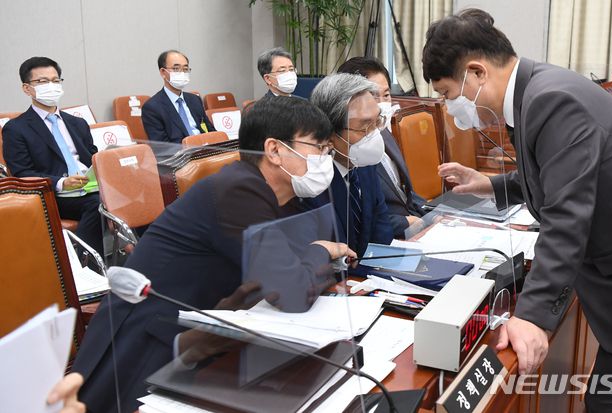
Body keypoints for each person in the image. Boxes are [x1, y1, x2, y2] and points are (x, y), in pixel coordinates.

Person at [72, 96, 354, 413]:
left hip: (198, 338)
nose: (324, 159)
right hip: (148, 344)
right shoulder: (240, 190)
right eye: (319, 148)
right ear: (274, 150)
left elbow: (280, 272)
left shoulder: (266, 191)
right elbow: (291, 291)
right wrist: (320, 250)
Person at [423, 8, 612, 411]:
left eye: (448, 94)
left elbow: (567, 214)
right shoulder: (536, 90)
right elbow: (558, 174)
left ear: (476, 72)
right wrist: (490, 184)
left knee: (611, 403)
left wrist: (532, 316)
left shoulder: (550, 100)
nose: (450, 107)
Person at [2, 56, 103, 256]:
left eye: (55, 81)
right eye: (42, 81)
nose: (51, 86)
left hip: (91, 186)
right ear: (27, 88)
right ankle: (84, 266)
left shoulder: (77, 123)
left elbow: (92, 156)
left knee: (138, 192)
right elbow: (22, 174)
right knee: (98, 204)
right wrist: (61, 183)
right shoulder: (16, 128)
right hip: (53, 194)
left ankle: (145, 258)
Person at [301, 73, 393, 257]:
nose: (374, 134)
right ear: (329, 135)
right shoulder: (311, 181)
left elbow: (382, 228)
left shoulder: (365, 163)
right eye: (365, 126)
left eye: (377, 122)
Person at [338, 57, 427, 238]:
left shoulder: (384, 131)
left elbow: (406, 194)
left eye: (386, 95)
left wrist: (432, 215)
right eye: (373, 96)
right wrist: (406, 223)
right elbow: (362, 219)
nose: (381, 104)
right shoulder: (353, 149)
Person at [142, 50, 214, 143]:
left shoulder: (195, 100)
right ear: (163, 72)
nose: (182, 73)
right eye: (176, 69)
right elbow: (163, 147)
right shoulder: (152, 108)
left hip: (206, 148)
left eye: (185, 69)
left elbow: (210, 130)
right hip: (182, 151)